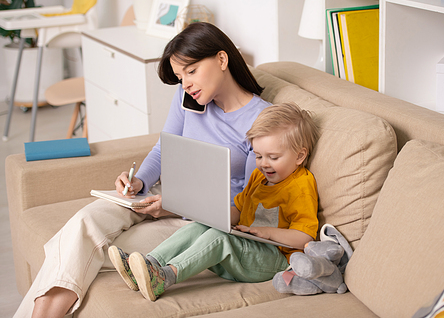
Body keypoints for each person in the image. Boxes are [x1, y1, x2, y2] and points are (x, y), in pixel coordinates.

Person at [14, 22, 271, 318]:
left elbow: (250, 207)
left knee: (83, 250)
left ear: (222, 60)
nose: (185, 83)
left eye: (191, 71)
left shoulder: (262, 119)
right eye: (179, 76)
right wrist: (138, 181)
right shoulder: (188, 97)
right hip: (158, 196)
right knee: (82, 223)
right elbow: (163, 149)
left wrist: (175, 206)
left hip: (198, 224)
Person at [109, 102, 320, 301]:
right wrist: (213, 215)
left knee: (220, 237)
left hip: (274, 260)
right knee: (202, 225)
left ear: (300, 156)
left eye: (273, 157)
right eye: (258, 156)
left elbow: (305, 237)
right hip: (245, 249)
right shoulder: (259, 177)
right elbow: (239, 208)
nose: (264, 164)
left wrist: (267, 232)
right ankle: (150, 264)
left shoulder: (301, 186)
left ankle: (165, 277)